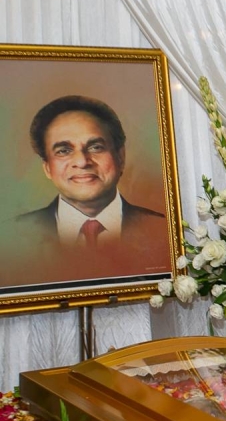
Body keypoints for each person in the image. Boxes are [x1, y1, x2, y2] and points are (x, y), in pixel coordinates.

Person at [11, 95, 168, 284]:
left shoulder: (162, 230)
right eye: (63, 151)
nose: (82, 162)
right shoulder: (13, 237)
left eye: (95, 147)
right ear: (47, 168)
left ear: (120, 157)